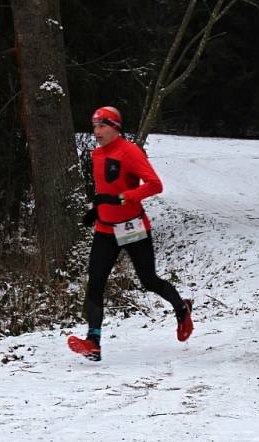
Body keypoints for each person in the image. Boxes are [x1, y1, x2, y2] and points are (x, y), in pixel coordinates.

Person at [67, 106, 193, 361]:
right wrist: (97, 208)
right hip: (105, 228)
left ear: (115, 128)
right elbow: (105, 189)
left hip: (132, 225)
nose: (97, 132)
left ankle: (182, 309)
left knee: (148, 280)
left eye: (102, 126)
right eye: (94, 127)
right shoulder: (97, 154)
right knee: (95, 283)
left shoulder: (130, 151)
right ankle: (93, 341)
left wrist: (122, 198)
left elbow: (155, 185)